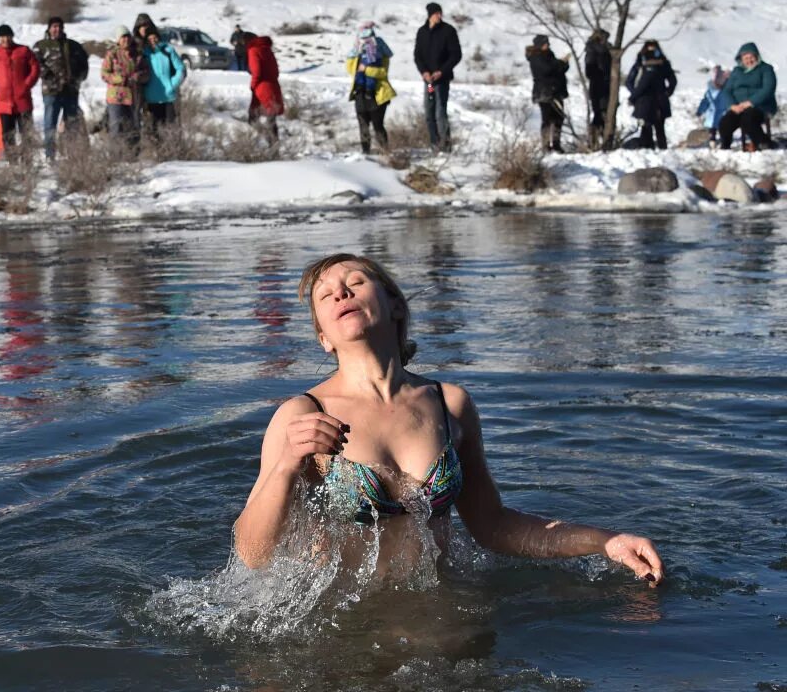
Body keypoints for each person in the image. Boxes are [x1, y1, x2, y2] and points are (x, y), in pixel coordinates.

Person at [233, 253, 666, 591]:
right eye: (325, 296)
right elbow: (252, 554)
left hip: (438, 609)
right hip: (344, 622)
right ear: (323, 338)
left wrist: (604, 542)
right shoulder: (302, 414)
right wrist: (288, 466)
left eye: (355, 283)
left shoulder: (449, 404)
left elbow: (493, 526)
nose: (341, 294)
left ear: (395, 304)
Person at [33, 16, 89, 160]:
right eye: (54, 26)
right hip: (52, 92)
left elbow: (84, 64)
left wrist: (78, 79)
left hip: (71, 91)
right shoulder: (41, 45)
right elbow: (35, 65)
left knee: (72, 125)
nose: (56, 29)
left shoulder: (73, 46)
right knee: (49, 125)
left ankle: (72, 155)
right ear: (49, 28)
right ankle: (49, 156)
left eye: (59, 26)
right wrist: (50, 77)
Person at [413, 2, 462, 152]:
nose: (439, 16)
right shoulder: (422, 32)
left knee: (440, 111)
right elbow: (417, 55)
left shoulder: (448, 31)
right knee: (429, 110)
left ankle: (446, 146)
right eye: (436, 13)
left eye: (440, 13)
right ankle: (434, 144)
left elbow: (456, 55)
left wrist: (442, 71)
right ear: (430, 15)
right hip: (428, 81)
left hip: (442, 79)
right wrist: (424, 72)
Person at [0, 24, 40, 147]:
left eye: (8, 36)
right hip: (4, 103)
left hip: (23, 101)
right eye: (2, 37)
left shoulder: (24, 51)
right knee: (8, 136)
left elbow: (35, 67)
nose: (5, 39)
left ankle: (27, 162)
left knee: (27, 134)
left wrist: (27, 84)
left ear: (12, 36)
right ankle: (13, 163)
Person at [346, 22, 395, 154]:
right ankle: (365, 153)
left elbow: (382, 72)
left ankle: (386, 152)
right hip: (360, 93)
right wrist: (355, 55)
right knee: (363, 125)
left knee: (377, 125)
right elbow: (351, 69)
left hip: (378, 95)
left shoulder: (380, 52)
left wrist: (366, 69)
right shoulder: (358, 50)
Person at [719, 42, 778, 151]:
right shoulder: (737, 72)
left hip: (760, 106)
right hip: (739, 107)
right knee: (725, 123)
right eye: (746, 58)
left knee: (748, 119)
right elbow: (727, 90)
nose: (749, 60)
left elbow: (768, 89)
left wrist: (751, 102)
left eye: (751, 57)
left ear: (757, 56)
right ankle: (725, 146)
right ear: (741, 59)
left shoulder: (766, 69)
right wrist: (732, 105)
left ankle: (763, 143)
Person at [101, 25, 148, 151]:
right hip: (116, 97)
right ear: (118, 40)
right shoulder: (112, 55)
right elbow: (104, 74)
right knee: (116, 127)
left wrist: (139, 76)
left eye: (127, 37)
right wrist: (120, 79)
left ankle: (133, 156)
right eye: (123, 37)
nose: (125, 40)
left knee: (134, 127)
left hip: (134, 96)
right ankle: (115, 157)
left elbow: (147, 73)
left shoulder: (138, 55)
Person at [625, 40, 677, 150]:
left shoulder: (640, 63)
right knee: (659, 129)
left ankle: (648, 151)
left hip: (644, 101)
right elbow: (673, 81)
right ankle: (662, 151)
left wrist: (635, 94)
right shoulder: (663, 63)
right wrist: (667, 92)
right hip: (659, 100)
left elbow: (630, 81)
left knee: (646, 129)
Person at [527, 34, 569, 153]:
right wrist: (560, 64)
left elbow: (556, 69)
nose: (547, 45)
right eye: (545, 43)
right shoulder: (536, 57)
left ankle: (556, 143)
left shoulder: (549, 55)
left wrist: (563, 64)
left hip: (555, 91)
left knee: (559, 118)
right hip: (544, 92)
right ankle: (545, 145)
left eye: (548, 43)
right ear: (539, 45)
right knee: (547, 119)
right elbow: (547, 70)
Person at [143, 31, 185, 136]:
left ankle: (173, 152)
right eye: (150, 39)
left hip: (168, 98)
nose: (153, 41)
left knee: (171, 131)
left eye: (155, 38)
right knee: (152, 132)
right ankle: (156, 152)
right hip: (150, 99)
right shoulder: (144, 54)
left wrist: (172, 85)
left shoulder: (168, 51)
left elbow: (181, 69)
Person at [245, 32, 284, 144]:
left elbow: (256, 72)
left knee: (253, 118)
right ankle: (274, 145)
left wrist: (253, 85)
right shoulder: (268, 50)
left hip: (261, 88)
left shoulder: (253, 50)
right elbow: (276, 71)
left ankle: (269, 144)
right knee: (272, 118)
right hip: (274, 87)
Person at [584, 28, 611, 150]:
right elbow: (589, 71)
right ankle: (594, 141)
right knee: (599, 114)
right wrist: (601, 75)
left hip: (606, 86)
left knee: (604, 113)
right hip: (597, 87)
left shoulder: (606, 51)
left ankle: (601, 139)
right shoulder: (593, 51)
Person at [696, 66, 731, 147]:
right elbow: (705, 102)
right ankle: (712, 139)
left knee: (724, 127)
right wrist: (700, 111)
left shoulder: (726, 91)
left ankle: (724, 140)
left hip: (723, 113)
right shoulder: (710, 91)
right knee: (712, 127)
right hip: (712, 113)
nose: (718, 83)